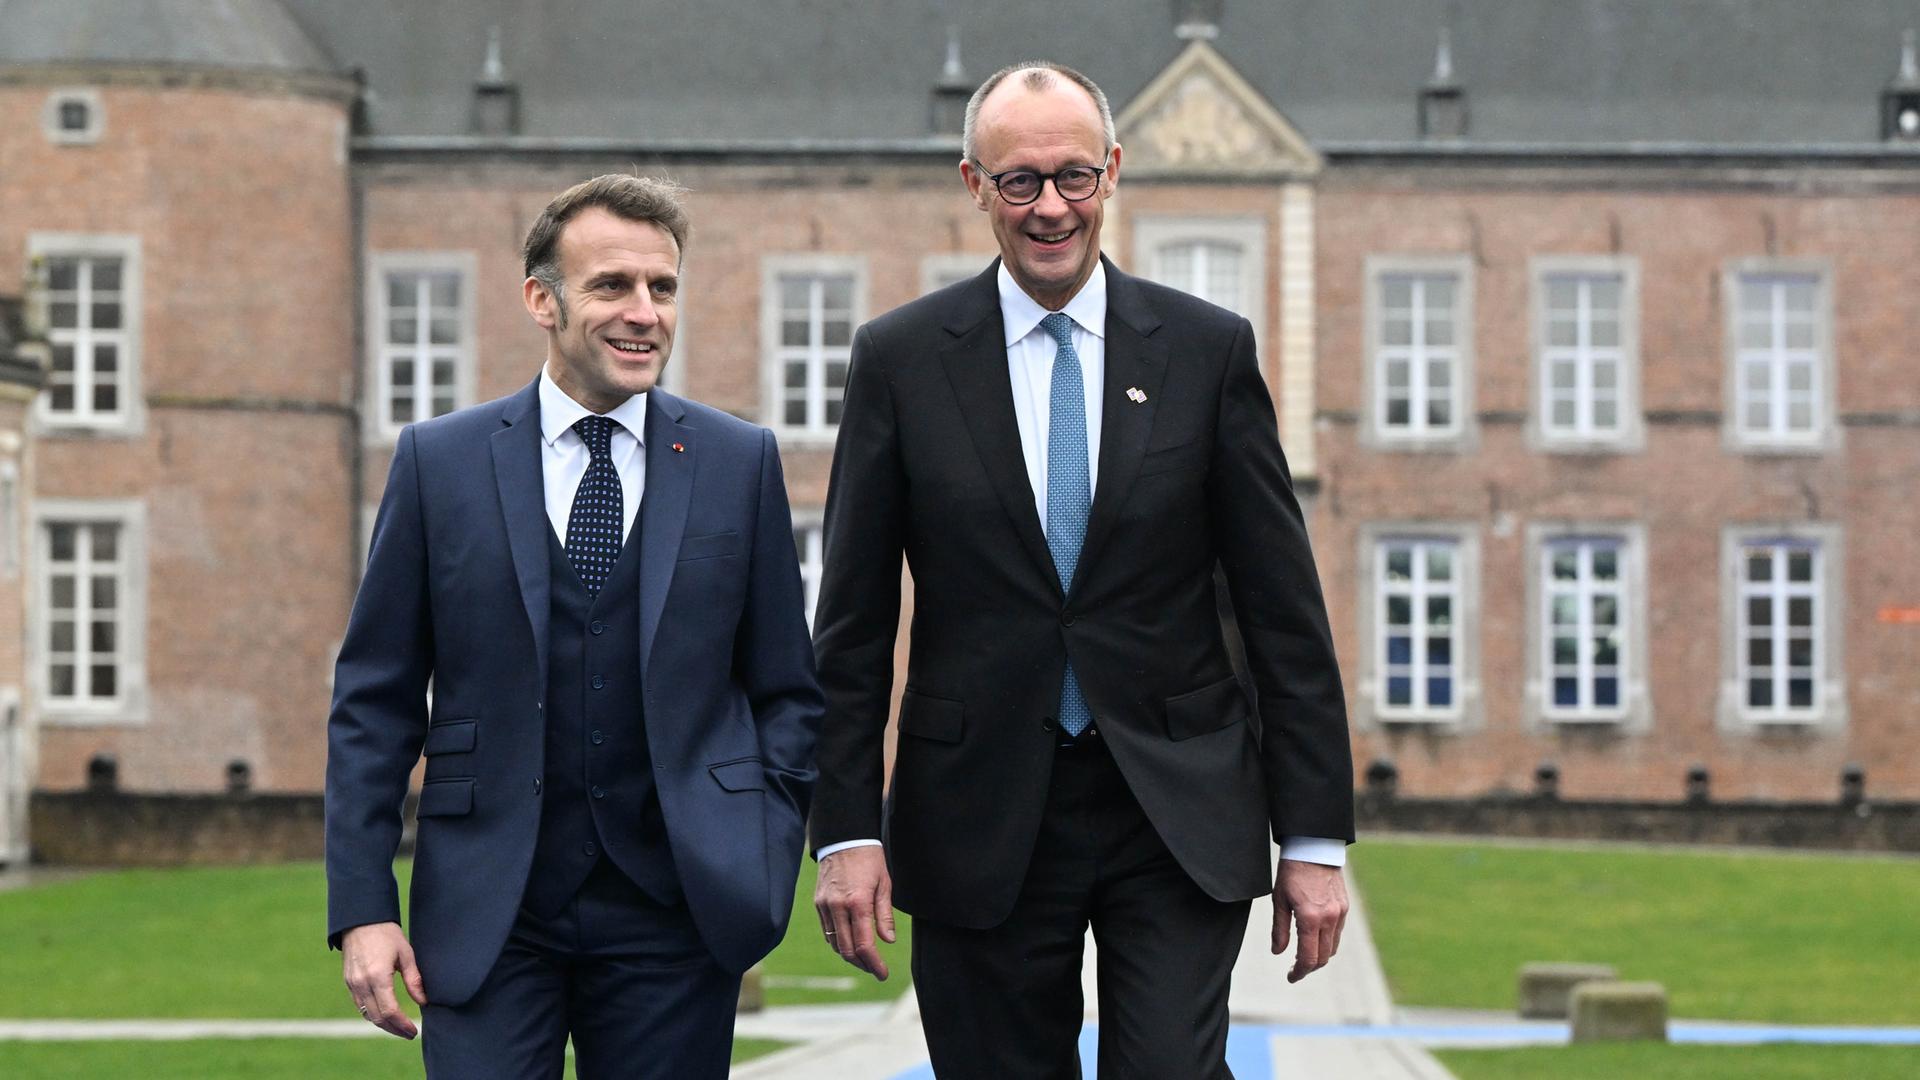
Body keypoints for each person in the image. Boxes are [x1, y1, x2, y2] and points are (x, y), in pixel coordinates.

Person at [809, 63, 1355, 1077]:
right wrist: (844, 827)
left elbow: (1284, 613)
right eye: (1019, 181)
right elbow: (850, 622)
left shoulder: (1207, 352)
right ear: (975, 185)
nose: (1050, 206)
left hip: (1175, 801)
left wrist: (1314, 837)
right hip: (975, 806)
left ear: (1112, 172)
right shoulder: (902, 359)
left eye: (1073, 176)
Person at [325, 174, 822, 1079]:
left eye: (662, 288)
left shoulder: (736, 461)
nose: (644, 313)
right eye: (612, 286)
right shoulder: (439, 464)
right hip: (487, 910)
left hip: (677, 910)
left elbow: (787, 688)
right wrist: (364, 905)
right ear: (541, 300)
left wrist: (761, 844)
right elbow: (375, 699)